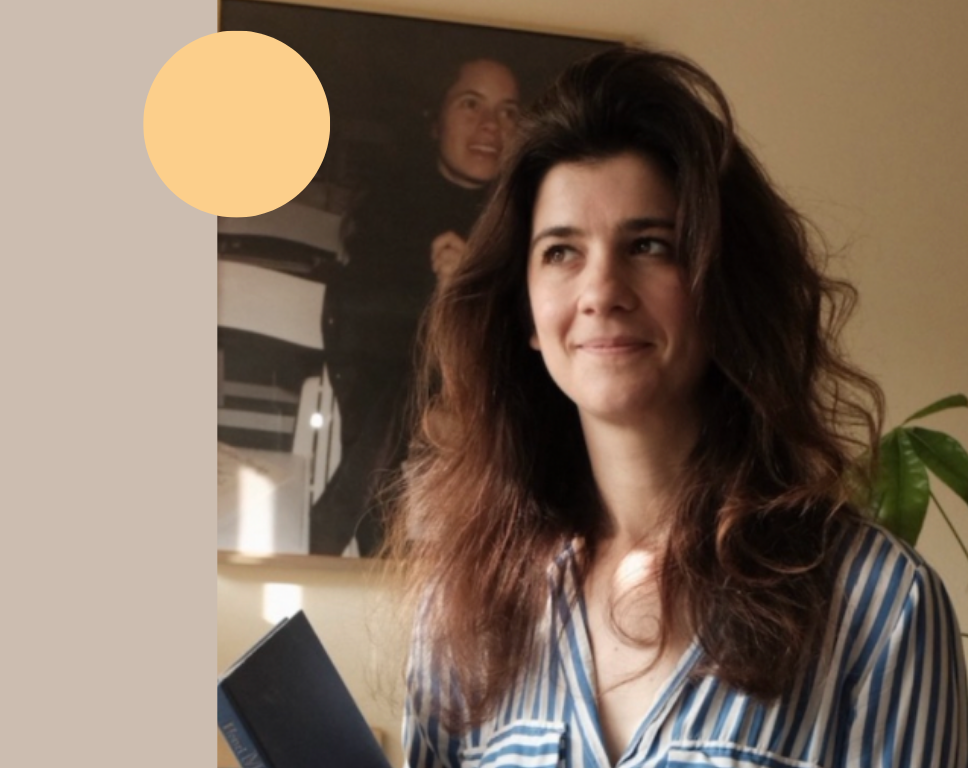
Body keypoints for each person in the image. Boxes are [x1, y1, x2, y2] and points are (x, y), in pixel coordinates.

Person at [394, 48, 967, 767]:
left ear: (721, 287)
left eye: (649, 245)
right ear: (524, 314)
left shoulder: (881, 606)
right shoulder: (464, 610)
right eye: (562, 252)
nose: (602, 291)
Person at [310, 56, 521, 556]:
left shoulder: (527, 213)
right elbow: (363, 324)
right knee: (399, 388)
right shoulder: (392, 205)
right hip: (391, 385)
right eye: (470, 104)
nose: (491, 126)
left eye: (508, 111)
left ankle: (337, 530)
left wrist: (472, 290)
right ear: (435, 121)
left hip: (498, 393)